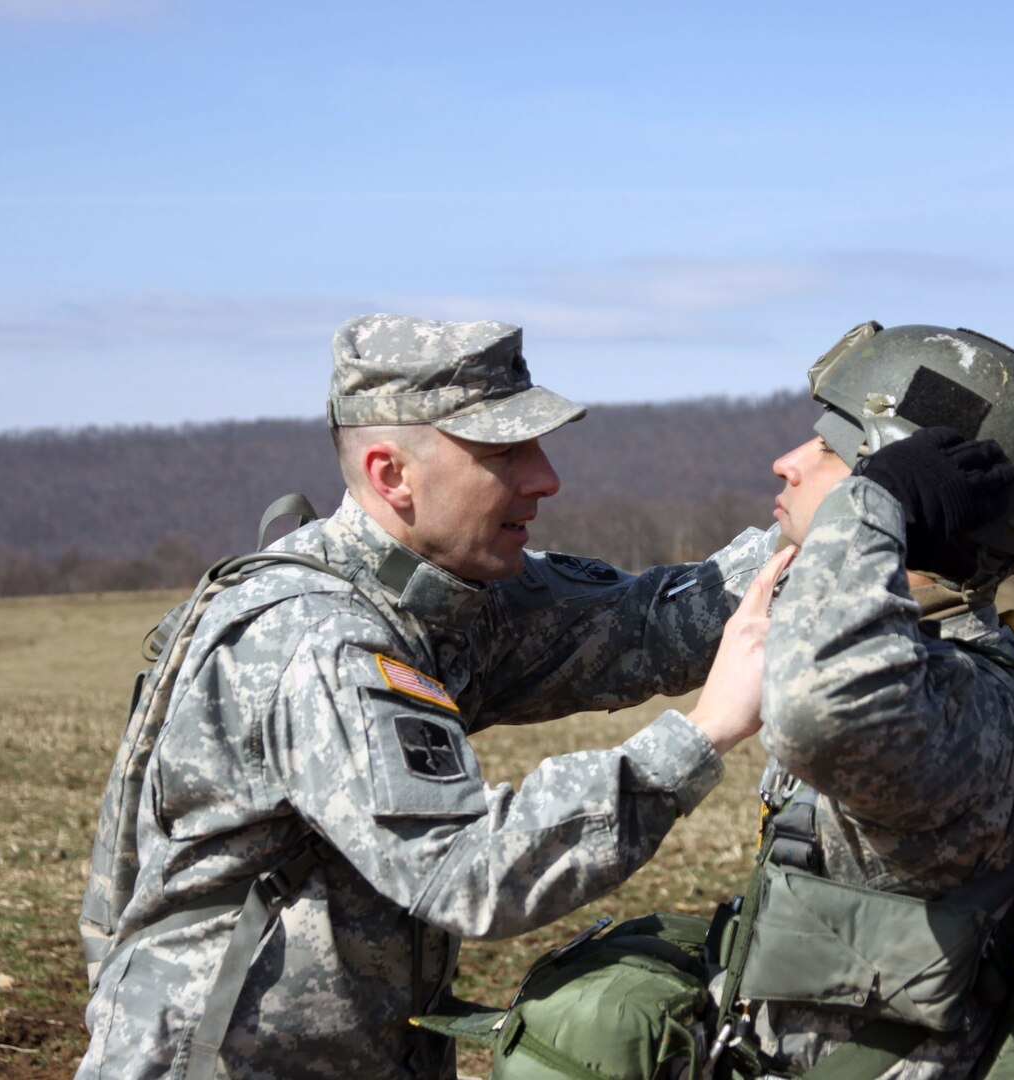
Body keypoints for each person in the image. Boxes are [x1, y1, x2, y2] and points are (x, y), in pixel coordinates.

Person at [76, 313, 787, 1080]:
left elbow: (654, 624)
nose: (546, 477)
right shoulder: (321, 641)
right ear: (392, 475)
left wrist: (834, 520)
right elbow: (467, 872)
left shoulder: (443, 593)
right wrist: (703, 734)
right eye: (504, 452)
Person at [731, 321, 1014, 1077]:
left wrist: (873, 500)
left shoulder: (979, 704)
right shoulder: (905, 657)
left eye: (829, 449)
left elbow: (819, 711)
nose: (786, 462)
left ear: (919, 496)